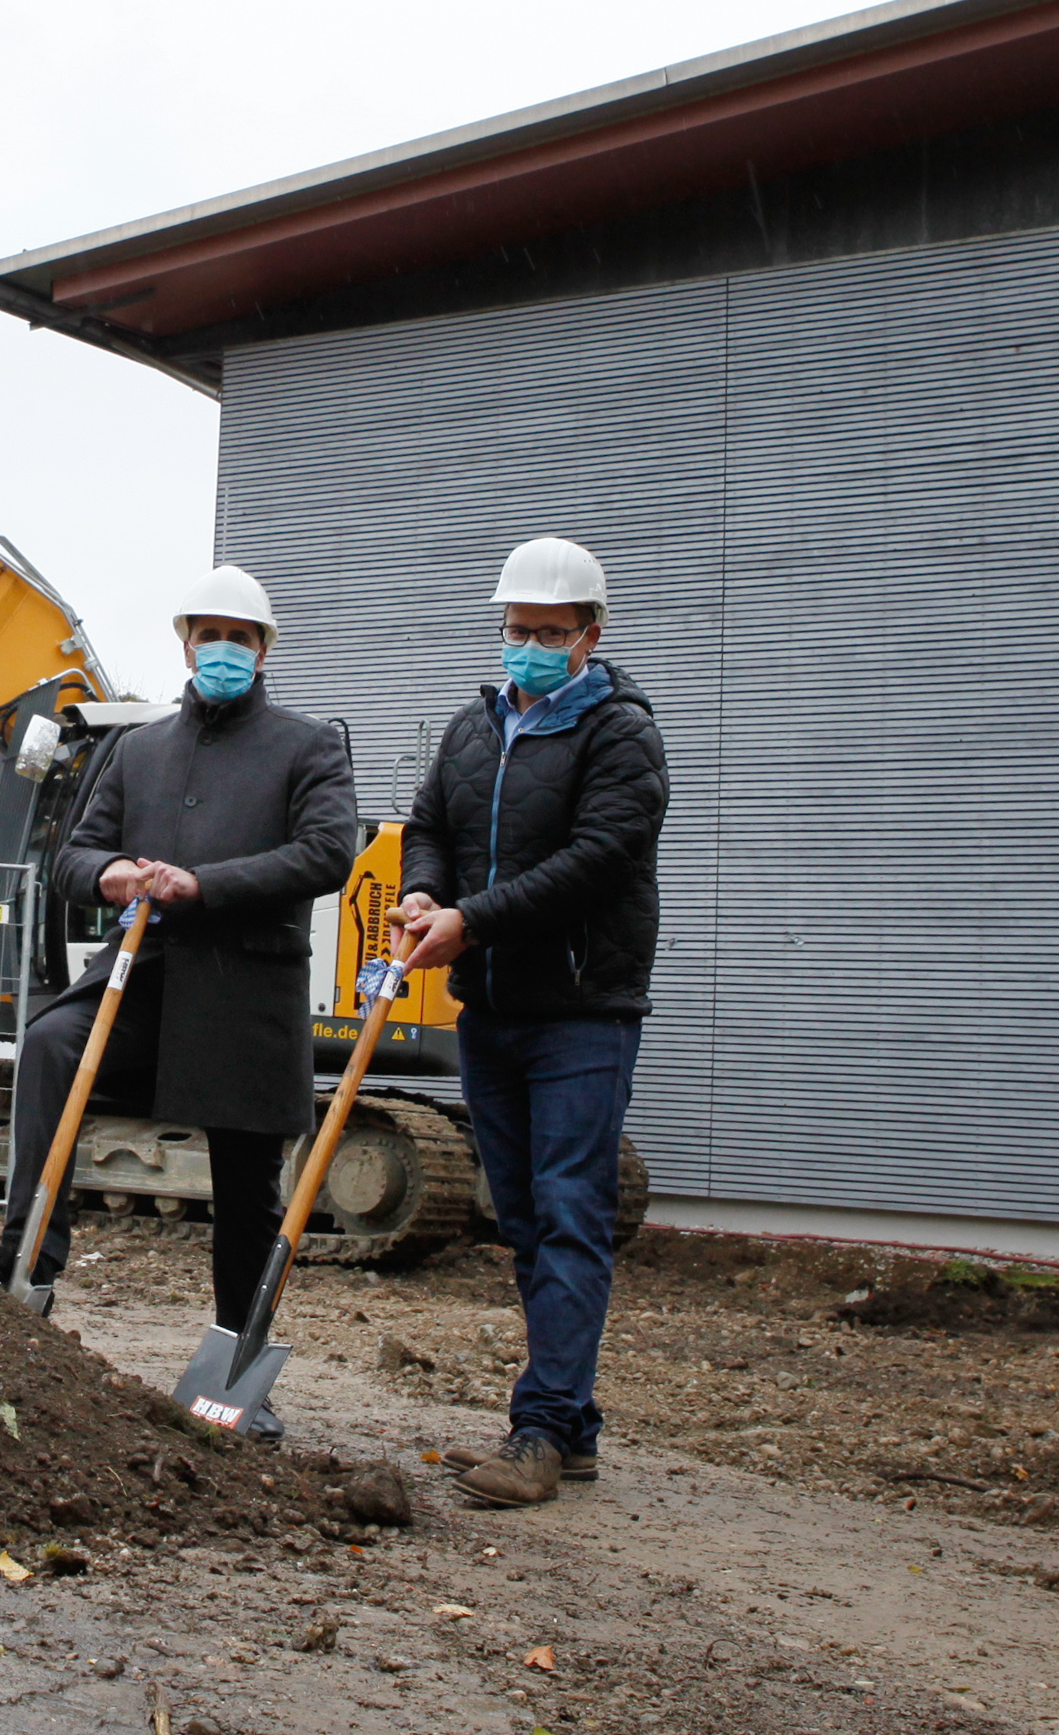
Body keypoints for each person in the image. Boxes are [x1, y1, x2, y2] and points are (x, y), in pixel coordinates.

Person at [0, 566, 356, 1440]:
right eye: (207, 635)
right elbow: (73, 853)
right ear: (184, 644)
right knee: (53, 1041)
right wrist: (111, 872)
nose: (221, 651)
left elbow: (328, 853)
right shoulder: (138, 749)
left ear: (263, 648)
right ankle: (27, 1264)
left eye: (238, 638)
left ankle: (240, 1365)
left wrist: (203, 884)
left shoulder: (308, 745)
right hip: (144, 982)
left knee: (247, 1190)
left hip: (245, 995)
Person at [394, 536, 668, 1509]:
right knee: (519, 1215)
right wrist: (426, 894)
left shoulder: (622, 736)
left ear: (591, 633)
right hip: (492, 1008)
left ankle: (542, 1426)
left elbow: (596, 859)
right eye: (517, 631)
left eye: (550, 633)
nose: (529, 648)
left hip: (581, 1011)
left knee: (569, 1209)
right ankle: (572, 1421)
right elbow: (428, 822)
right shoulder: (474, 731)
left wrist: (473, 919)